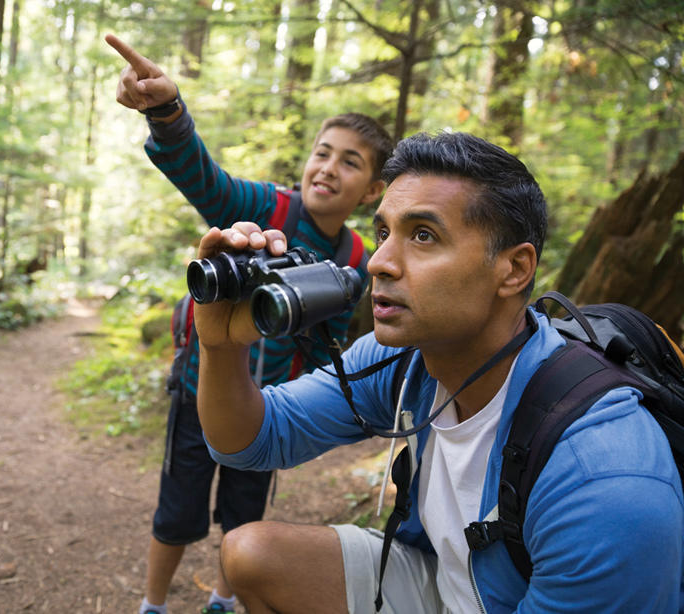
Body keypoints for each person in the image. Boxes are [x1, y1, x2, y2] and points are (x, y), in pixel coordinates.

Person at [190, 131, 684, 613]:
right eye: (384, 232)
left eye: (423, 236)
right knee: (251, 555)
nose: (380, 262)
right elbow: (250, 440)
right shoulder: (410, 362)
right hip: (450, 586)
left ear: (514, 270)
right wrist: (219, 344)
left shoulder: (603, 482)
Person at [105, 34, 394, 614]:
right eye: (322, 152)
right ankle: (153, 605)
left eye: (350, 161)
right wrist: (167, 112)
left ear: (374, 189)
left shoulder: (358, 260)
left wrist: (309, 401)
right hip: (199, 390)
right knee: (177, 511)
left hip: (269, 406)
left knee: (245, 513)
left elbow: (327, 346)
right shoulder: (267, 210)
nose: (329, 169)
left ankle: (221, 599)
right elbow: (205, 181)